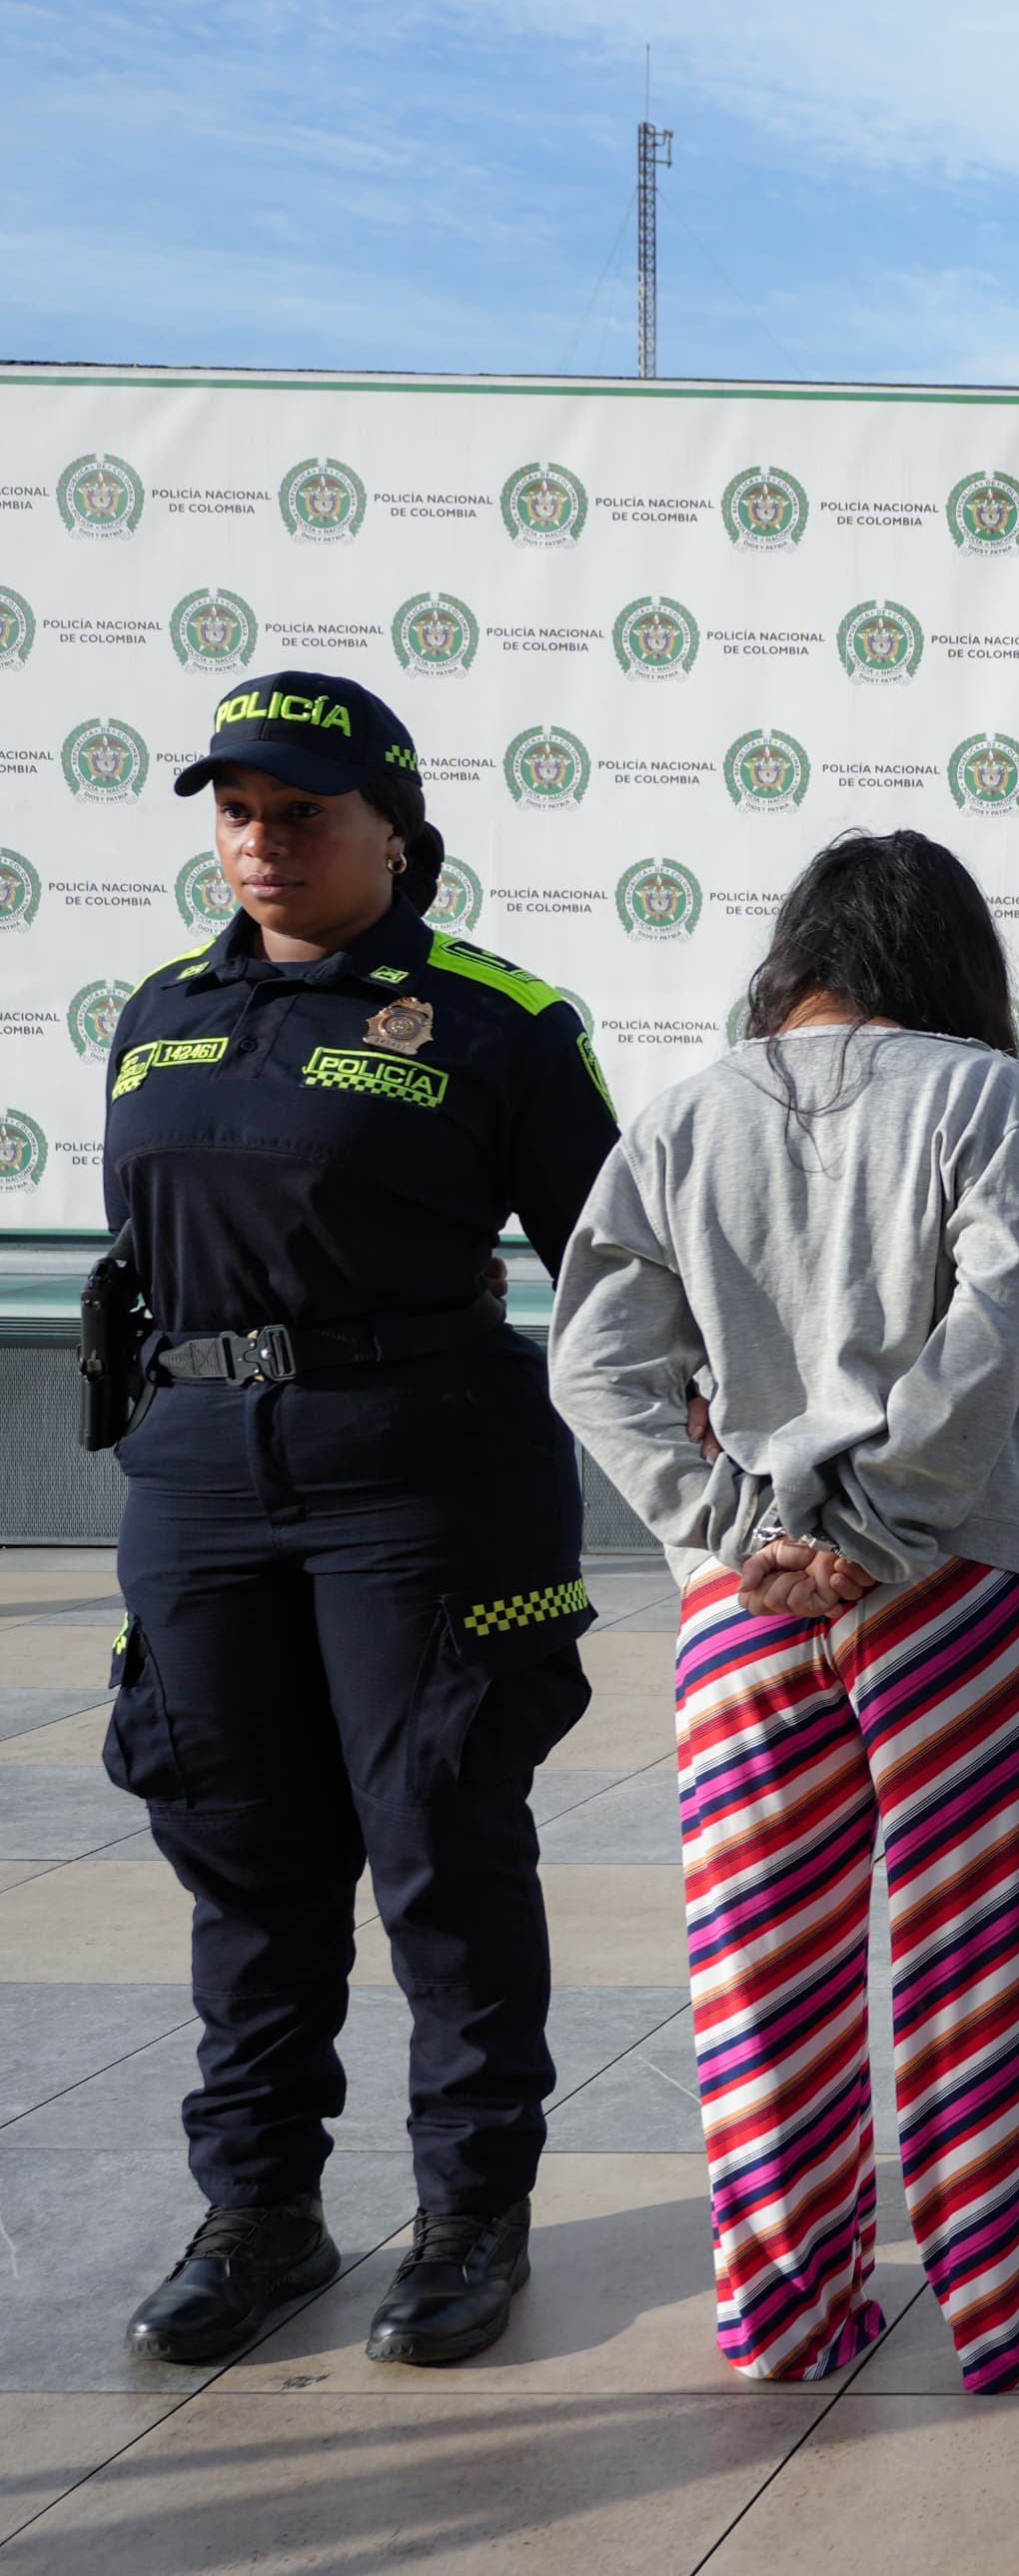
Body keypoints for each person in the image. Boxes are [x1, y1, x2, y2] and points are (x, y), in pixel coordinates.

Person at [547, 830, 1019, 2390]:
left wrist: (730, 1531)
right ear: (955, 960)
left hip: (745, 1610)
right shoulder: (984, 1094)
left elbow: (591, 1365)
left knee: (758, 1975)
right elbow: (992, 1321)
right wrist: (878, 1527)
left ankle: (787, 2318)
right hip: (963, 1589)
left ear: (795, 949)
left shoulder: (684, 1115)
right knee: (982, 1963)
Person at [94, 670, 616, 2368]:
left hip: (417, 1470)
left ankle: (472, 2210)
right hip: (195, 1472)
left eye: (303, 811)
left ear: (393, 828)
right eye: (238, 810)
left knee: (443, 1851)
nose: (263, 840)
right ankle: (262, 2207)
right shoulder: (162, 1007)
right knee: (240, 1859)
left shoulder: (497, 1019)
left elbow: (611, 1276)